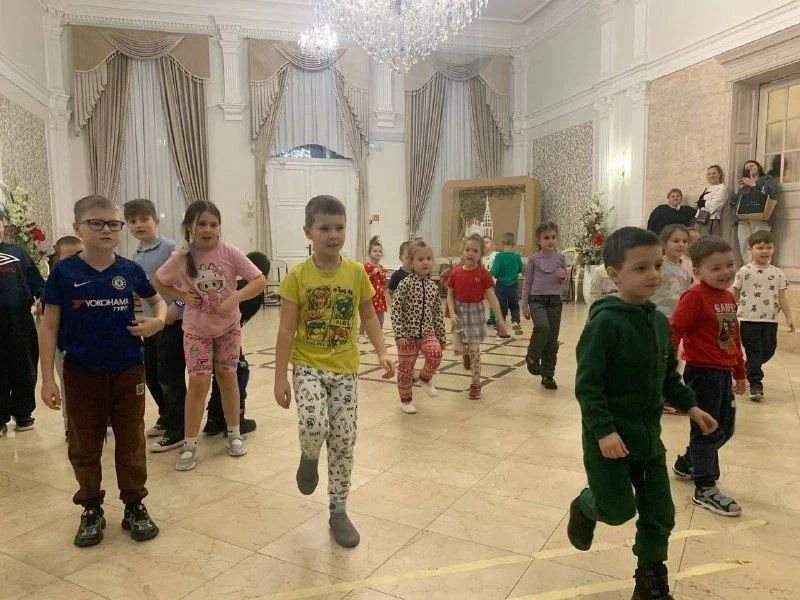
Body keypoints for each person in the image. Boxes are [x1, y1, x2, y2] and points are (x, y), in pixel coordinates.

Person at [567, 226, 717, 600]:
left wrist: (691, 406)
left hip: (648, 440)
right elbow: (588, 386)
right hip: (609, 440)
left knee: (660, 513)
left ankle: (651, 582)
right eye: (640, 268)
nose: (653, 274)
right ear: (614, 274)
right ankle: (585, 505)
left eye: (657, 265)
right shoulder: (605, 324)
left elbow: (667, 376)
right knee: (617, 510)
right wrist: (604, 431)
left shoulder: (658, 322)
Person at [38, 194, 166, 546]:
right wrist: (48, 378)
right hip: (81, 372)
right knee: (84, 441)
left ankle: (134, 504)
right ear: (78, 227)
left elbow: (158, 302)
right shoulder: (64, 273)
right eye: (96, 223)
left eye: (113, 224)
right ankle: (91, 506)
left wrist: (158, 322)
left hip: (128, 369)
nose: (106, 230)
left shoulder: (130, 270)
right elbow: (49, 326)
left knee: (131, 439)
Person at [274, 195, 394, 548]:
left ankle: (338, 510)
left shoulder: (356, 272)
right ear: (308, 231)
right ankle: (309, 455)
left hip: (345, 371)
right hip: (308, 365)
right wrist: (280, 378)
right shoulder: (297, 276)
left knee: (343, 440)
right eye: (324, 228)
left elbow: (368, 315)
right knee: (314, 424)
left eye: (339, 227)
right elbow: (285, 331)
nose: (333, 235)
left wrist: (383, 352)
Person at [154, 201, 267, 471]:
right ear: (189, 227)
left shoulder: (229, 252)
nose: (208, 229)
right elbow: (158, 281)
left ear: (219, 228)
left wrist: (235, 298)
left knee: (228, 377)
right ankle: (190, 444)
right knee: (198, 382)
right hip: (197, 331)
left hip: (228, 328)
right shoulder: (181, 257)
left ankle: (234, 433)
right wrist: (182, 296)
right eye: (201, 224)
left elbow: (259, 280)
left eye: (213, 224)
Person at [671, 235, 746, 517]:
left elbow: (731, 337)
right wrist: (668, 366)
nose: (726, 272)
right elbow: (674, 329)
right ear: (697, 272)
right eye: (716, 268)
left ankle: (688, 462)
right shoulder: (694, 297)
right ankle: (705, 487)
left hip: (722, 372)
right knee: (708, 428)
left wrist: (739, 370)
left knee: (725, 428)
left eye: (729, 264)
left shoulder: (727, 298)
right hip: (702, 373)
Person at [123, 199, 186, 453]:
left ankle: (179, 429)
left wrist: (177, 306)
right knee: (151, 376)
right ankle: (166, 416)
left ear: (156, 222)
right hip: (149, 325)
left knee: (169, 377)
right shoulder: (136, 254)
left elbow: (186, 282)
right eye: (132, 221)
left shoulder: (171, 248)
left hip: (172, 324)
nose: (138, 224)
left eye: (144, 219)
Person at [204, 251, 270, 435]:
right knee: (239, 371)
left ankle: (215, 419)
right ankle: (235, 419)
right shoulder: (248, 292)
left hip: (219, 335)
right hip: (219, 335)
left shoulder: (241, 288)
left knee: (224, 375)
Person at [733, 230, 795, 402]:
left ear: (773, 249)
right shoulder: (744, 271)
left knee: (768, 350)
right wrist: (728, 314)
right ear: (750, 249)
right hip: (748, 319)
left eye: (769, 247)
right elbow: (734, 293)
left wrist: (789, 317)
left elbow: (782, 297)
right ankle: (755, 383)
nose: (765, 251)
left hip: (770, 320)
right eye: (760, 247)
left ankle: (748, 367)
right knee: (754, 350)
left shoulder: (778, 273)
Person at [446, 234, 507, 400]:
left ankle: (475, 383)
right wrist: (452, 313)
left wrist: (500, 319)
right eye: (468, 249)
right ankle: (466, 354)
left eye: (475, 251)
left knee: (474, 350)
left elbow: (491, 298)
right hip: (459, 313)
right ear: (462, 251)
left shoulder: (483, 274)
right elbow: (450, 295)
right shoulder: (455, 272)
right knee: (458, 349)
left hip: (475, 314)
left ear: (481, 254)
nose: (471, 253)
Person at [0, 213, 44, 437]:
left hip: (19, 319)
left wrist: (41, 297)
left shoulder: (17, 252)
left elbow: (36, 280)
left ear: (2, 226)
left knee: (24, 366)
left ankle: (24, 412)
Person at [392, 240, 446, 414]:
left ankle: (424, 378)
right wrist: (399, 334)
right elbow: (396, 309)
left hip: (427, 333)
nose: (425, 262)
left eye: (429, 258)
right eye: (420, 259)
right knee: (406, 370)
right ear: (411, 263)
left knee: (435, 353)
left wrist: (441, 337)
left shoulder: (432, 287)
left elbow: (437, 314)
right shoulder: (405, 284)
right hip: (407, 336)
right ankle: (406, 401)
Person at [47, 235, 85, 438]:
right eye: (68, 257)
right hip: (67, 347)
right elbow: (49, 326)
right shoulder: (56, 283)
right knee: (69, 385)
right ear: (58, 259)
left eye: (80, 254)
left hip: (95, 344)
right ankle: (71, 425)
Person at [521, 222, 566, 390]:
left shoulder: (561, 258)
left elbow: (564, 282)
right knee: (542, 327)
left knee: (552, 340)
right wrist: (524, 304)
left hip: (555, 301)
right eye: (546, 238)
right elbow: (527, 282)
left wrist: (563, 276)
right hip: (536, 300)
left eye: (553, 237)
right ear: (539, 241)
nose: (550, 240)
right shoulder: (534, 259)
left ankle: (548, 375)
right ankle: (532, 356)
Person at [732, 160, 777, 263]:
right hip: (743, 218)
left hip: (760, 216)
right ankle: (749, 268)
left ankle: (763, 268)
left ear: (758, 167)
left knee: (761, 243)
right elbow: (732, 203)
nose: (749, 168)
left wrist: (753, 185)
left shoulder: (767, 179)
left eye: (752, 166)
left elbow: (768, 195)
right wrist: (737, 189)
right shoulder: (744, 184)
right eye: (746, 168)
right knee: (744, 244)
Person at [651, 225, 691, 319]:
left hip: (676, 318)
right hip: (656, 316)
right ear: (663, 244)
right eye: (676, 241)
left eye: (685, 241)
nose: (681, 244)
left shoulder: (685, 272)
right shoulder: (656, 266)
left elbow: (686, 296)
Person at [490, 232, 525, 336]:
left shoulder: (499, 256)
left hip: (501, 285)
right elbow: (520, 269)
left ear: (502, 243)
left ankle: (501, 329)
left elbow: (495, 271)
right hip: (513, 285)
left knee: (502, 307)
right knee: (514, 305)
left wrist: (493, 274)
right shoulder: (516, 256)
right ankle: (515, 321)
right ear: (513, 243)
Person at [359, 236, 387, 341]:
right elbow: (364, 280)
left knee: (380, 315)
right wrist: (372, 273)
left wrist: (381, 273)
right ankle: (361, 334)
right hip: (369, 296)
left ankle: (378, 334)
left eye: (379, 251)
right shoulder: (366, 267)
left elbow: (383, 282)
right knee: (367, 314)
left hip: (379, 296)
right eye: (375, 251)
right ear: (370, 253)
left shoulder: (381, 268)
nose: (377, 253)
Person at [695, 165, 727, 236]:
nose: (711, 176)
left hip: (711, 219)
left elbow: (716, 204)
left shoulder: (722, 188)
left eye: (714, 173)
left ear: (719, 174)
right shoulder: (708, 188)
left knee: (707, 240)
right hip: (700, 217)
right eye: (709, 174)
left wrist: (703, 203)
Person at [386, 240, 412, 309]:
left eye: (413, 257)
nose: (410, 260)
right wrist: (393, 306)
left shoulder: (419, 274)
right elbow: (388, 293)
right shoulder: (396, 275)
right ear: (401, 258)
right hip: (401, 311)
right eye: (407, 257)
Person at [483, 235, 499, 328]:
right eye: (483, 242)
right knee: (489, 302)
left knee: (494, 300)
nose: (485, 244)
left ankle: (494, 317)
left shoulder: (497, 255)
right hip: (485, 284)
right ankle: (491, 317)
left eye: (487, 242)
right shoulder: (480, 258)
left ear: (493, 245)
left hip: (496, 282)